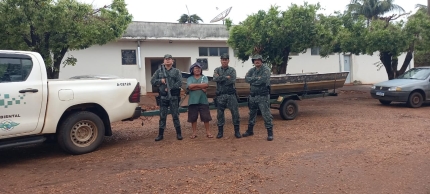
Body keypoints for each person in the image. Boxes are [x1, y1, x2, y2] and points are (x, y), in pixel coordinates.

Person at [150, 54, 183, 141]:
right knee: (162, 116)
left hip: (173, 97)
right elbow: (152, 81)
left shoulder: (176, 71)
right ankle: (160, 135)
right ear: (163, 61)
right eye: (166, 59)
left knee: (175, 115)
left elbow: (179, 82)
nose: (167, 60)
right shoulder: (159, 71)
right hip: (163, 97)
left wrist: (170, 87)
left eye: (169, 59)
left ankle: (179, 133)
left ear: (172, 61)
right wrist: (160, 81)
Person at [242, 54, 274, 141]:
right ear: (253, 62)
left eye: (258, 60)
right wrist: (257, 79)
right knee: (252, 114)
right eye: (255, 60)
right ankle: (250, 130)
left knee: (266, 114)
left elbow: (263, 80)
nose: (257, 61)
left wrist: (253, 80)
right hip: (253, 96)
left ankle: (270, 133)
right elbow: (246, 79)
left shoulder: (266, 69)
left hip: (262, 96)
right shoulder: (252, 70)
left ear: (261, 61)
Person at [213, 53, 241, 139]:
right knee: (220, 114)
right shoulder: (217, 69)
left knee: (235, 113)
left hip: (231, 95)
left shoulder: (232, 70)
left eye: (226, 59)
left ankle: (237, 131)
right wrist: (226, 77)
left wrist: (221, 78)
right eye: (223, 60)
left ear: (228, 61)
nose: (224, 61)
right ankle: (220, 132)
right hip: (220, 95)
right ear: (221, 61)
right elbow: (214, 78)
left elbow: (232, 80)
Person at [186, 62, 213, 139]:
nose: (197, 70)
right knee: (193, 118)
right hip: (193, 101)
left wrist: (195, 87)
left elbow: (206, 85)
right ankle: (194, 133)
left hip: (203, 100)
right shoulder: (189, 78)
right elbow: (190, 86)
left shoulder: (204, 77)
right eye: (195, 68)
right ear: (192, 70)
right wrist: (201, 87)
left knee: (206, 117)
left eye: (199, 68)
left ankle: (208, 132)